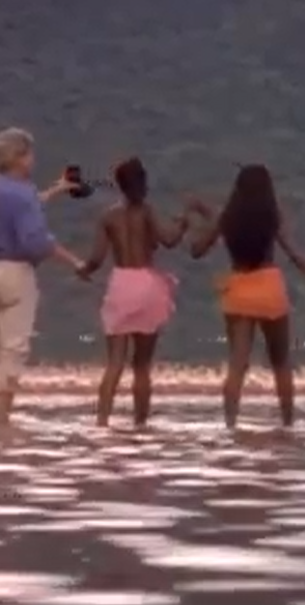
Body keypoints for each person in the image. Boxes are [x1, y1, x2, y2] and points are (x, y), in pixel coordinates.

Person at [188, 163, 305, 429]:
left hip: (239, 290)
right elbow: (295, 255)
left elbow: (197, 250)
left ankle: (230, 424)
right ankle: (287, 423)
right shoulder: (272, 216)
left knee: (237, 365)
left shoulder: (227, 218)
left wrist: (199, 221)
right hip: (269, 288)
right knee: (281, 363)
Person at [0, 127, 85, 424]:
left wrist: (56, 190)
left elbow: (21, 205)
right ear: (20, 158)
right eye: (30, 154)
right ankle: (1, 421)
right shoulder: (24, 195)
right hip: (15, 272)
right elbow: (36, 241)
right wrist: (75, 262)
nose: (33, 159)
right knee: (13, 350)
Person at [77, 157, 188, 427]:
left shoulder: (108, 216)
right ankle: (140, 424)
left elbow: (97, 258)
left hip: (121, 284)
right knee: (141, 366)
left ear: (119, 185)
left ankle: (102, 422)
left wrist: (84, 270)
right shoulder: (147, 212)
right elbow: (169, 240)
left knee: (114, 363)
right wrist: (183, 224)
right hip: (148, 285)